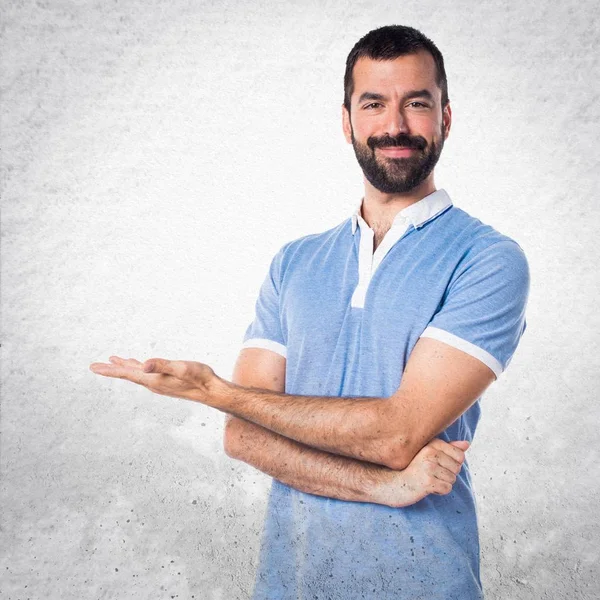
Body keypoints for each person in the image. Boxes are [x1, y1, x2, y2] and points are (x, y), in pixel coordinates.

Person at [89, 24, 530, 600]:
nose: (395, 125)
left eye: (416, 103)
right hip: (290, 582)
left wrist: (216, 391)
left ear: (446, 117)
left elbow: (397, 437)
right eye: (374, 104)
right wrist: (384, 488)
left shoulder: (488, 260)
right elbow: (244, 438)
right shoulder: (295, 263)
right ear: (347, 122)